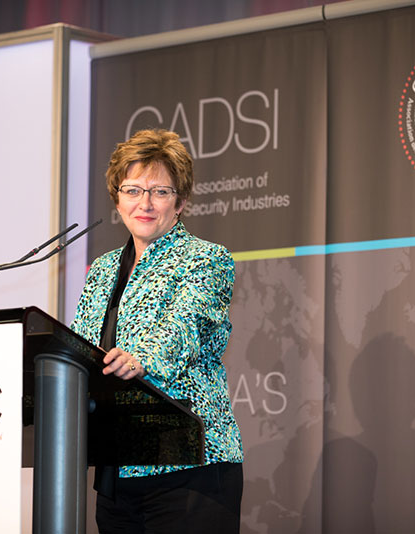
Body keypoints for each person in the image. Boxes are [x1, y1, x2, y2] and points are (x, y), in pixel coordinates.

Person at [71, 128, 244, 533]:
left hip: (191, 466)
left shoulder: (207, 260)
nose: (144, 203)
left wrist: (142, 358)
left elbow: (186, 325)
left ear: (180, 202)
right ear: (117, 198)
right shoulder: (102, 269)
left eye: (160, 192)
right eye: (133, 190)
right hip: (119, 471)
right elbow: (82, 345)